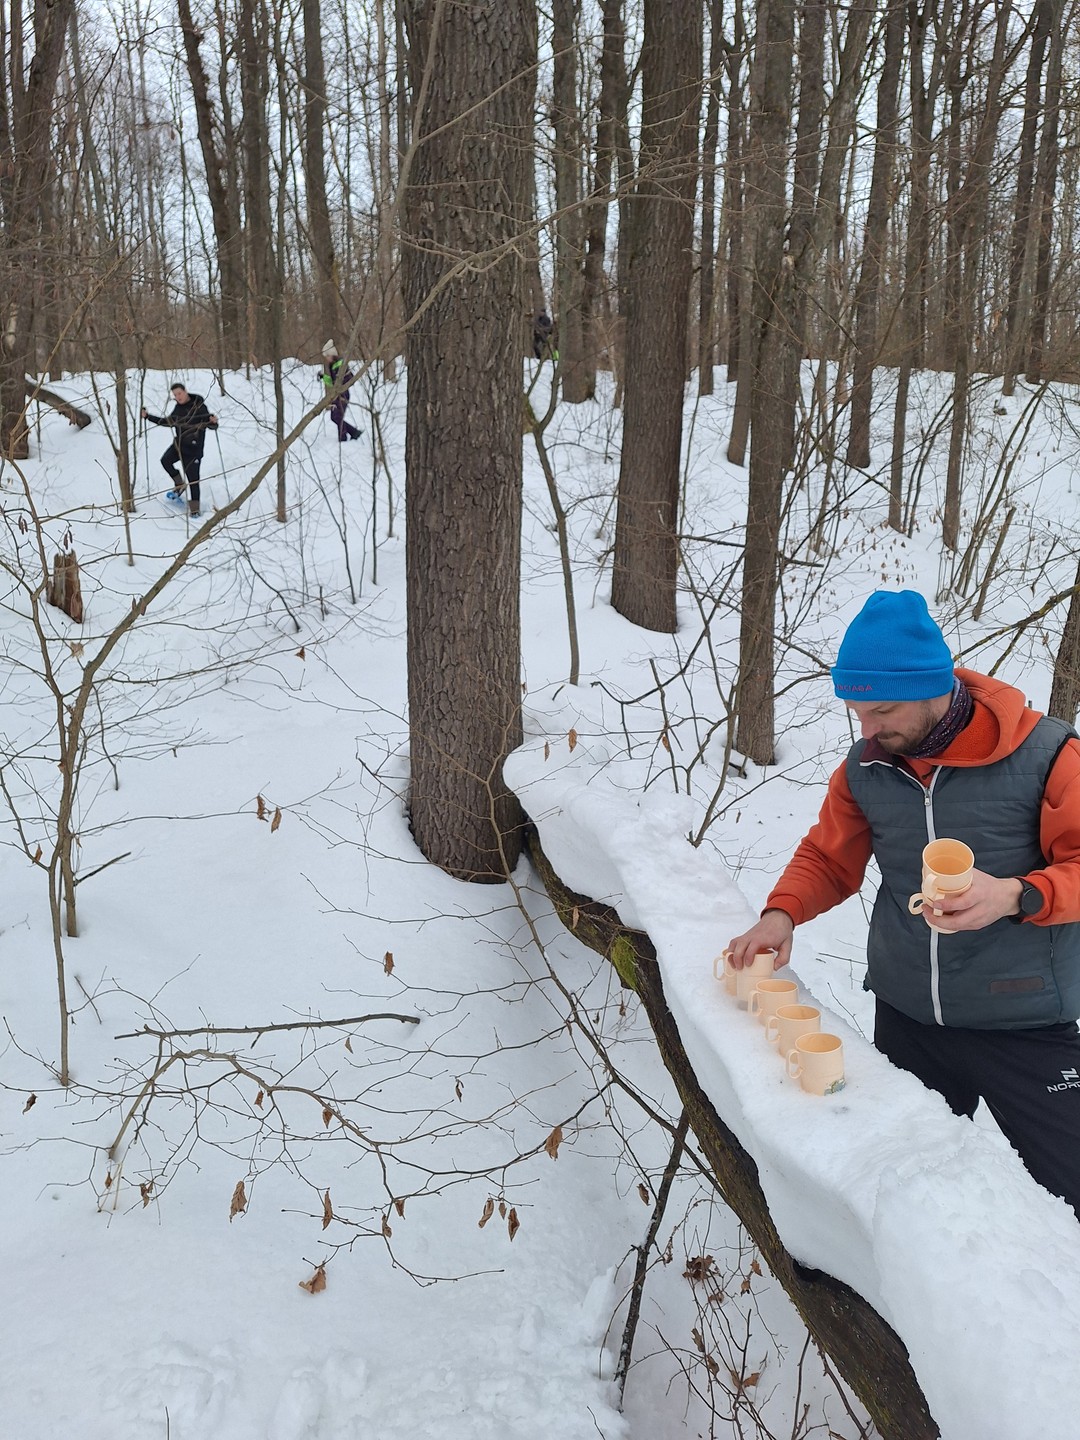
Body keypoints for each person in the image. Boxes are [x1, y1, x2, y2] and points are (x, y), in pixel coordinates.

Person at [726, 589, 1080, 1216]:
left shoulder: (1047, 755)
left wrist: (1016, 895)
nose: (868, 730)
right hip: (909, 1022)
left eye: (883, 709)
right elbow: (829, 856)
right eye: (858, 713)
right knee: (901, 1199)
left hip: (1026, 1023)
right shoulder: (868, 766)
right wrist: (781, 913)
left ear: (932, 688)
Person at [141, 383, 219, 517]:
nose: (178, 397)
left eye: (179, 393)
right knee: (165, 461)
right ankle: (179, 485)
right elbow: (167, 422)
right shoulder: (178, 409)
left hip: (193, 450)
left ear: (185, 391)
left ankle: (194, 510)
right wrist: (148, 417)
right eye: (175, 395)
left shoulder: (198, 406)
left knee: (193, 480)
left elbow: (211, 425)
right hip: (178, 446)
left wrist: (213, 422)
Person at [319, 341, 360, 442]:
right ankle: (353, 433)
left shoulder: (341, 364)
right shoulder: (333, 365)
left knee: (337, 417)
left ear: (331, 355)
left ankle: (345, 438)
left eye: (327, 356)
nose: (326, 359)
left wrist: (341, 389)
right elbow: (333, 383)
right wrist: (323, 377)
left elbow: (349, 379)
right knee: (335, 417)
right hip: (337, 395)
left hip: (343, 395)